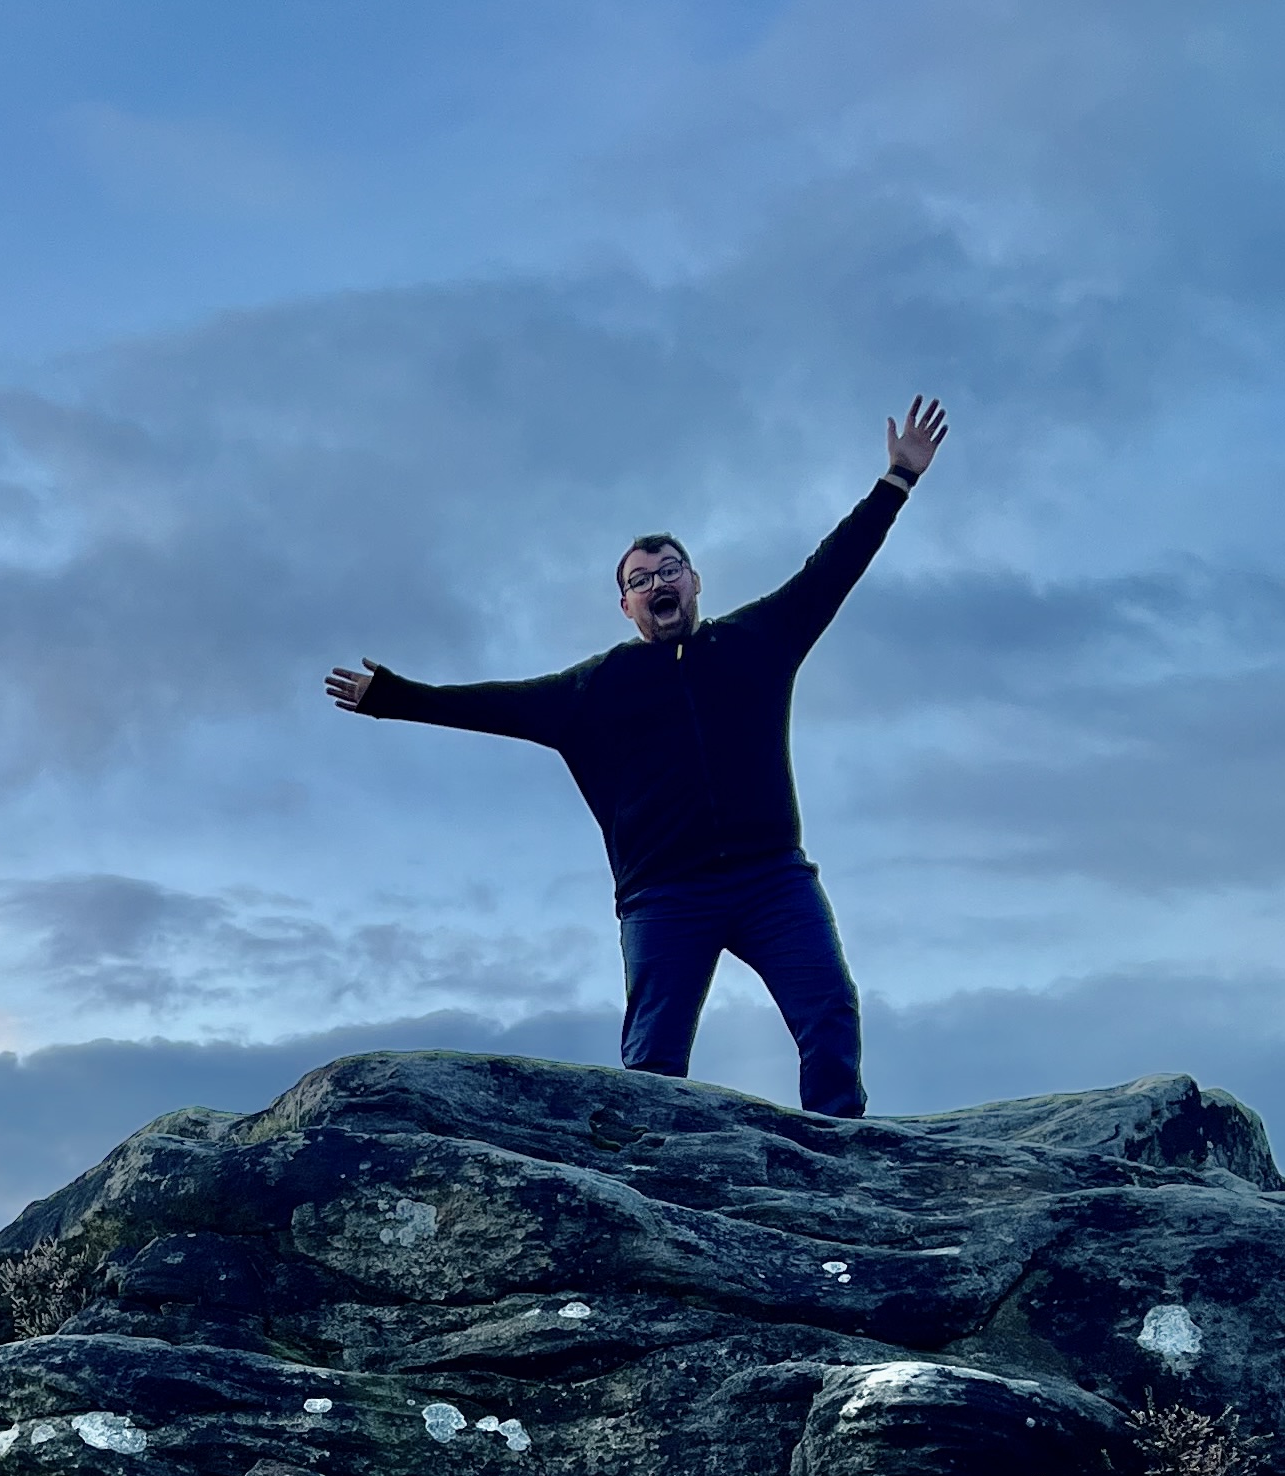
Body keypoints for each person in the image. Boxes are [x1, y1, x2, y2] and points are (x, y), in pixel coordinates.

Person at [325, 397, 948, 1118]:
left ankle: (840, 1157)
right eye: (641, 579)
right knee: (652, 1063)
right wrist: (389, 696)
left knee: (830, 1013)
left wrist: (897, 480)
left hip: (773, 879)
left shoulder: (758, 642)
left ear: (695, 581)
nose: (659, 583)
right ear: (625, 605)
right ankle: (650, 1187)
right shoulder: (592, 690)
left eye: (670, 569)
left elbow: (832, 567)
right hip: (665, 897)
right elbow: (486, 704)